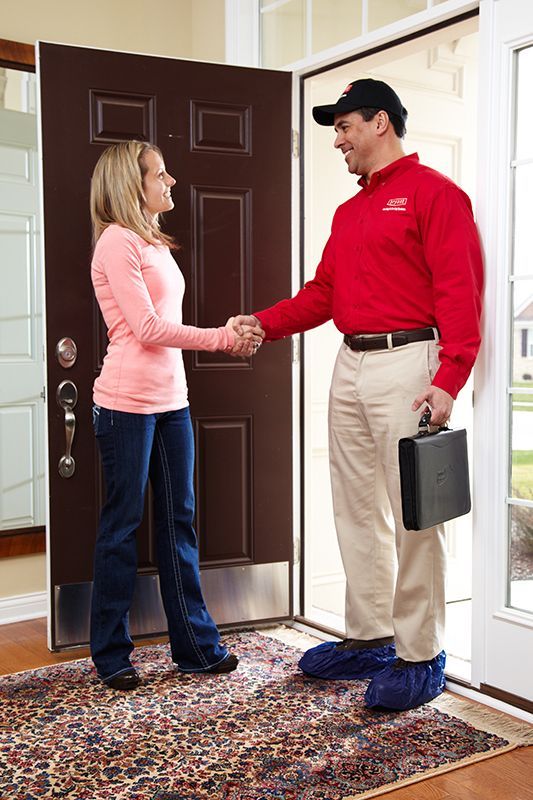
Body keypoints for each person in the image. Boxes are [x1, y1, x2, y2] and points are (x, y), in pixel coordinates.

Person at [233, 79, 483, 710]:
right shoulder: (350, 212)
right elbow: (322, 294)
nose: (337, 140)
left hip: (411, 362)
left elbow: (461, 294)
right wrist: (264, 322)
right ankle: (370, 634)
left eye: (344, 126)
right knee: (352, 505)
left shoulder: (436, 195)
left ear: (380, 123)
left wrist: (448, 379)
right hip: (350, 363)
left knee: (415, 514)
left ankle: (421, 652)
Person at [89, 140, 263, 690]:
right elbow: (145, 329)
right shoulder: (116, 242)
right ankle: (111, 653)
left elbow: (162, 325)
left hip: (172, 404)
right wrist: (222, 338)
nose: (171, 182)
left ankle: (195, 647)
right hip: (125, 407)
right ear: (130, 184)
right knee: (122, 527)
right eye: (160, 175)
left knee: (178, 523)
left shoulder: (153, 242)